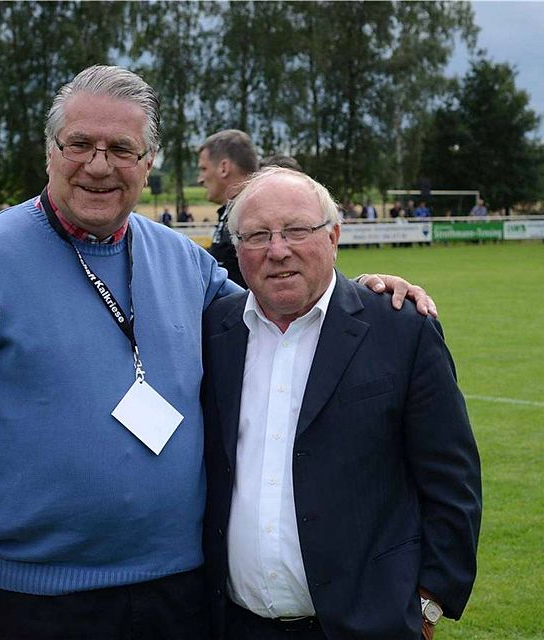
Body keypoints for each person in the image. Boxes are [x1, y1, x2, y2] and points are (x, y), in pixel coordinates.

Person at [0, 65, 438, 640]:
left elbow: (282, 311)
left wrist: (361, 295)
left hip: (182, 593)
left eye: (122, 148)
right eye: (79, 144)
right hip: (32, 598)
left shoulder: (186, 262)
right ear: (50, 151)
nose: (98, 165)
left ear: (149, 163)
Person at [201, 167, 482, 640]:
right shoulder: (214, 331)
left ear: (333, 236)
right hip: (235, 625)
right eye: (257, 236)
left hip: (368, 626)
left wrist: (430, 601)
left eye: (296, 230)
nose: (277, 249)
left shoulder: (400, 327)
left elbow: (452, 482)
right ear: (237, 249)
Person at [197, 129, 258, 288]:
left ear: (224, 168)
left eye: (204, 169)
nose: (200, 179)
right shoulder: (232, 211)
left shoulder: (253, 215)